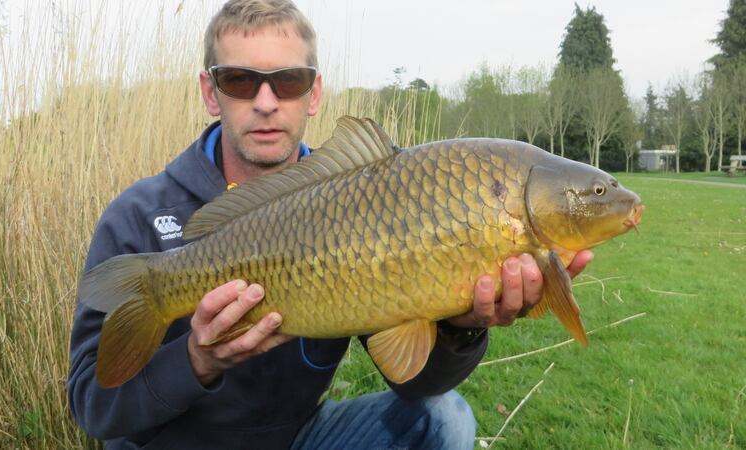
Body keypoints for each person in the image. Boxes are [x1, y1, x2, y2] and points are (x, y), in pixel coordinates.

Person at [67, 1, 593, 448]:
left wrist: (460, 326)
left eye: (288, 81)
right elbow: (95, 407)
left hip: (298, 436)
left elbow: (413, 381)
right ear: (212, 92)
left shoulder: (358, 199)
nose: (267, 102)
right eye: (241, 80)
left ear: (314, 94)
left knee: (445, 418)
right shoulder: (137, 216)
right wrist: (195, 360)